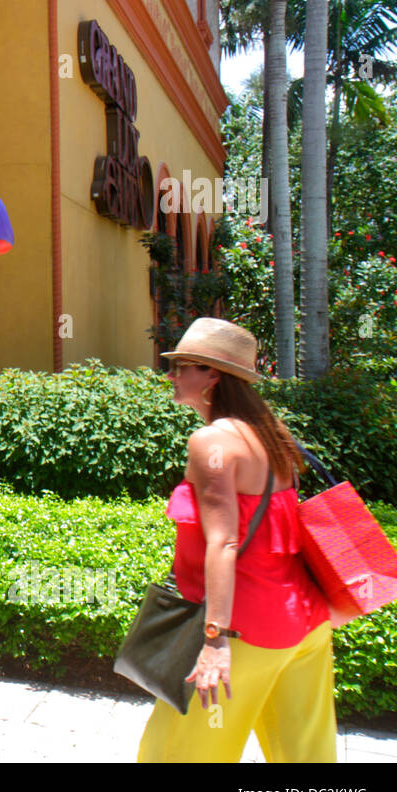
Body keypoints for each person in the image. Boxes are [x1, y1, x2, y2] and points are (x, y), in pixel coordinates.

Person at [137, 317, 335, 762]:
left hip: (245, 631)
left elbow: (224, 543)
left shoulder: (212, 441)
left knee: (175, 755)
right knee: (305, 756)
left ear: (212, 375)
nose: (171, 375)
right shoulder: (273, 433)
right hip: (305, 623)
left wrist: (213, 640)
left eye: (182, 365)